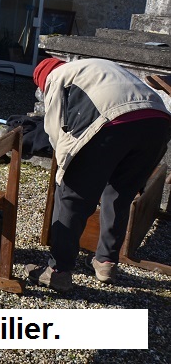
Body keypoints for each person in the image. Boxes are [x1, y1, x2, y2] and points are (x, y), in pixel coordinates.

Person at [25, 57, 171, 293]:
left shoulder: (55, 77)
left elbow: (55, 130)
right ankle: (106, 263)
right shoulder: (95, 66)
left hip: (112, 123)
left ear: (42, 81)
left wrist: (65, 170)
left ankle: (58, 272)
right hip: (157, 123)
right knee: (120, 195)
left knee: (71, 197)